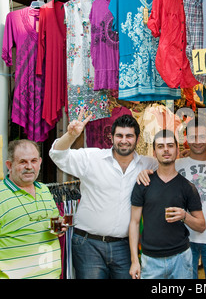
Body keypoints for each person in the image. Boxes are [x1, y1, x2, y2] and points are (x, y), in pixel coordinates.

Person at [49, 109, 157, 279]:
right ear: (111, 137)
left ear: (137, 138)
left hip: (124, 246)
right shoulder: (92, 158)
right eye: (119, 135)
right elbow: (57, 155)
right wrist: (70, 136)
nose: (124, 141)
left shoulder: (147, 164)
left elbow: (171, 169)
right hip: (88, 245)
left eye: (129, 136)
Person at [137, 118, 206, 279]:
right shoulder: (175, 163)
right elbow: (151, 170)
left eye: (202, 136)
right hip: (182, 240)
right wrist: (142, 172)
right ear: (186, 139)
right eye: (193, 137)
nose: (197, 141)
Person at [129, 129, 206, 279]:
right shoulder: (143, 183)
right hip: (150, 261)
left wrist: (184, 216)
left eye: (170, 145)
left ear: (177, 150)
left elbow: (201, 226)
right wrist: (134, 260)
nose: (165, 149)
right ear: (154, 152)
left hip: (181, 259)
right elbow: (134, 222)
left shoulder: (187, 187)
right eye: (160, 146)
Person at [0, 139, 63, 279]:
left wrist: (60, 228)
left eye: (33, 161)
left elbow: (55, 223)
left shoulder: (45, 190)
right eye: (22, 162)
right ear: (9, 165)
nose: (29, 167)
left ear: (40, 162)